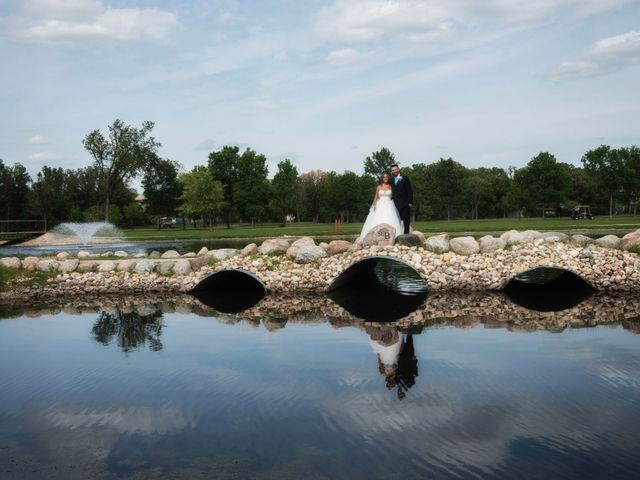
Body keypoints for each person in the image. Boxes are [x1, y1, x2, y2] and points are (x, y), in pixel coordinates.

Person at [358, 171, 404, 240]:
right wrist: (375, 205)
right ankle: (375, 237)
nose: (385, 178)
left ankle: (390, 237)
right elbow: (376, 197)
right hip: (380, 205)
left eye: (387, 177)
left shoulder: (391, 187)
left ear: (388, 178)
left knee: (389, 218)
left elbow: (395, 196)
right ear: (382, 178)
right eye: (384, 177)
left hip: (389, 205)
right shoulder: (379, 187)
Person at [390, 164, 413, 234]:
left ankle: (406, 237)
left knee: (406, 222)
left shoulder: (405, 178)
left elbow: (410, 191)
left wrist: (410, 202)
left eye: (395, 169)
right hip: (395, 205)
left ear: (398, 169)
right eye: (392, 170)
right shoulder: (391, 180)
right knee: (397, 222)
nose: (394, 171)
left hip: (405, 204)